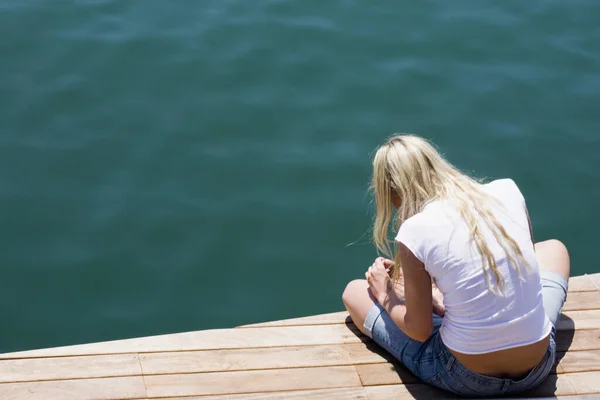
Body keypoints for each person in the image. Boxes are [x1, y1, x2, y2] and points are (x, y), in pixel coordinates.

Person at [342, 134, 570, 397]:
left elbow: (419, 330)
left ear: (394, 193)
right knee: (554, 250)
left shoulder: (415, 229)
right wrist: (435, 294)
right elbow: (518, 275)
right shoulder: (507, 190)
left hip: (466, 377)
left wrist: (385, 294)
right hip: (536, 366)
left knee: (354, 292)